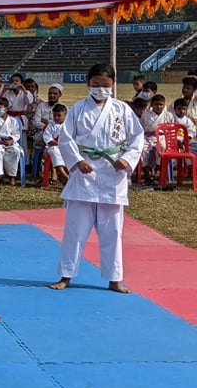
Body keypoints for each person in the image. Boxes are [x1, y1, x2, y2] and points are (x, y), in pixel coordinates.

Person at [51, 63, 143, 294]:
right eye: (96, 84)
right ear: (88, 84)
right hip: (85, 172)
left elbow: (137, 137)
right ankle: (66, 275)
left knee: (113, 231)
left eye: (105, 85)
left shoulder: (122, 109)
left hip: (113, 172)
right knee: (75, 230)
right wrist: (76, 161)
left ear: (113, 84)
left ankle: (114, 278)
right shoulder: (77, 109)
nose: (101, 89)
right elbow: (66, 138)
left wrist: (128, 159)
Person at [0, 97, 23, 186]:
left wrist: (11, 140)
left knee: (15, 151)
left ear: (6, 109)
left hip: (10, 143)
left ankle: (12, 177)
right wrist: (0, 142)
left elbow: (17, 134)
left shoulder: (13, 121)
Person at [141, 94, 166, 181]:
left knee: (162, 146)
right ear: (151, 104)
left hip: (162, 137)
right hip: (148, 137)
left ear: (164, 105)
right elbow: (141, 128)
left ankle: (158, 168)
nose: (158, 107)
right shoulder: (145, 115)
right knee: (142, 148)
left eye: (161, 104)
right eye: (156, 104)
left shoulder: (168, 115)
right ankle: (146, 170)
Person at [43, 104, 69, 185]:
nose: (56, 117)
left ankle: (68, 174)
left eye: (59, 115)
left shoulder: (69, 125)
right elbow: (47, 138)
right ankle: (62, 172)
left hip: (66, 146)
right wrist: (58, 144)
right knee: (55, 151)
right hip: (52, 147)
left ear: (65, 115)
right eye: (54, 115)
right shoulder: (50, 125)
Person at [31, 83, 60, 149]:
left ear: (60, 95)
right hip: (40, 139)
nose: (52, 95)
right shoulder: (41, 106)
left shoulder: (64, 108)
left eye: (55, 94)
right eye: (50, 93)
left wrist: (47, 122)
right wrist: (52, 124)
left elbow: (64, 124)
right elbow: (35, 122)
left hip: (57, 140)